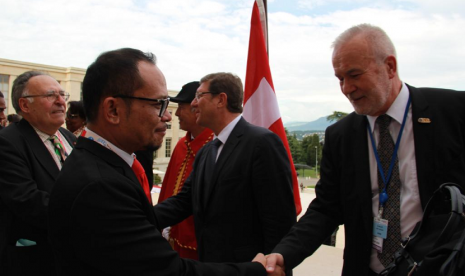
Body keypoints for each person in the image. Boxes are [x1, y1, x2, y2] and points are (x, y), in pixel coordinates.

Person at [48, 48, 279, 276]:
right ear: (113, 109)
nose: (168, 116)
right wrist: (256, 271)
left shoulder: (257, 143)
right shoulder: (99, 185)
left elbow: (276, 218)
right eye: (158, 104)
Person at [265, 23, 465, 276]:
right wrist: (284, 254)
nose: (346, 88)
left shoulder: (453, 113)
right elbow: (326, 208)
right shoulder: (340, 136)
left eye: (355, 75)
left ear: (390, 67)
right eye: (340, 79)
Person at [154, 72, 296, 264]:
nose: (194, 104)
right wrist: (139, 218)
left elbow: (279, 220)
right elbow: (184, 201)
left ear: (221, 100)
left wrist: (274, 266)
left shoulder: (262, 143)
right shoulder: (207, 151)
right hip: (211, 265)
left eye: (199, 96)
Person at [0, 71, 76, 275]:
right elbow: (26, 199)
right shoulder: (7, 142)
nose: (61, 102)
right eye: (50, 95)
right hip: (37, 259)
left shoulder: (70, 138)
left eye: (62, 95)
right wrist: (88, 214)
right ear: (25, 105)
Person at [158, 81, 214, 259]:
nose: (176, 114)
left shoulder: (217, 147)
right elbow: (167, 189)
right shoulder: (182, 145)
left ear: (196, 109)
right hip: (173, 244)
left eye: (180, 107)